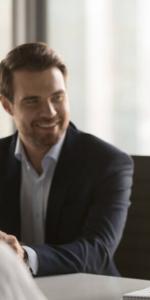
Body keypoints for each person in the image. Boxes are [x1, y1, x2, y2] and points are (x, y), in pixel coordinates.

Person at [0, 42, 133, 276]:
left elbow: (97, 251)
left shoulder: (108, 164)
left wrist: (25, 256)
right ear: (7, 105)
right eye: (33, 101)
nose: (49, 112)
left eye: (57, 98)